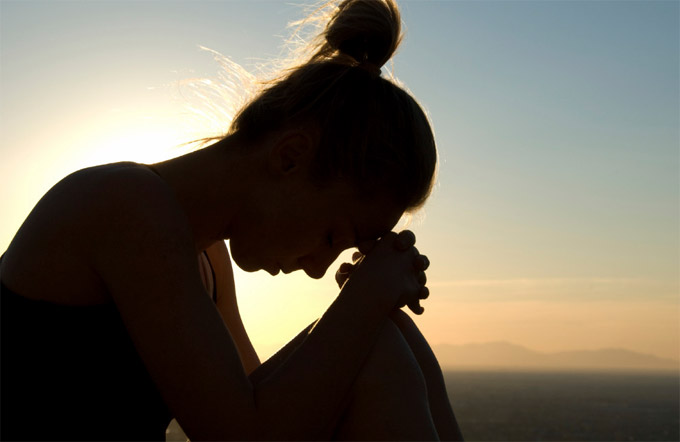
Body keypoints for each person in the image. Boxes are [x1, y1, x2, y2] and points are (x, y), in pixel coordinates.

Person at [0, 0, 463, 440]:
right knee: (376, 343)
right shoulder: (122, 206)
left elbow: (259, 402)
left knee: (390, 339)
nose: (320, 268)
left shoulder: (206, 257)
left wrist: (370, 310)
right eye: (332, 235)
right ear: (290, 157)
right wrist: (363, 299)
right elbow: (244, 434)